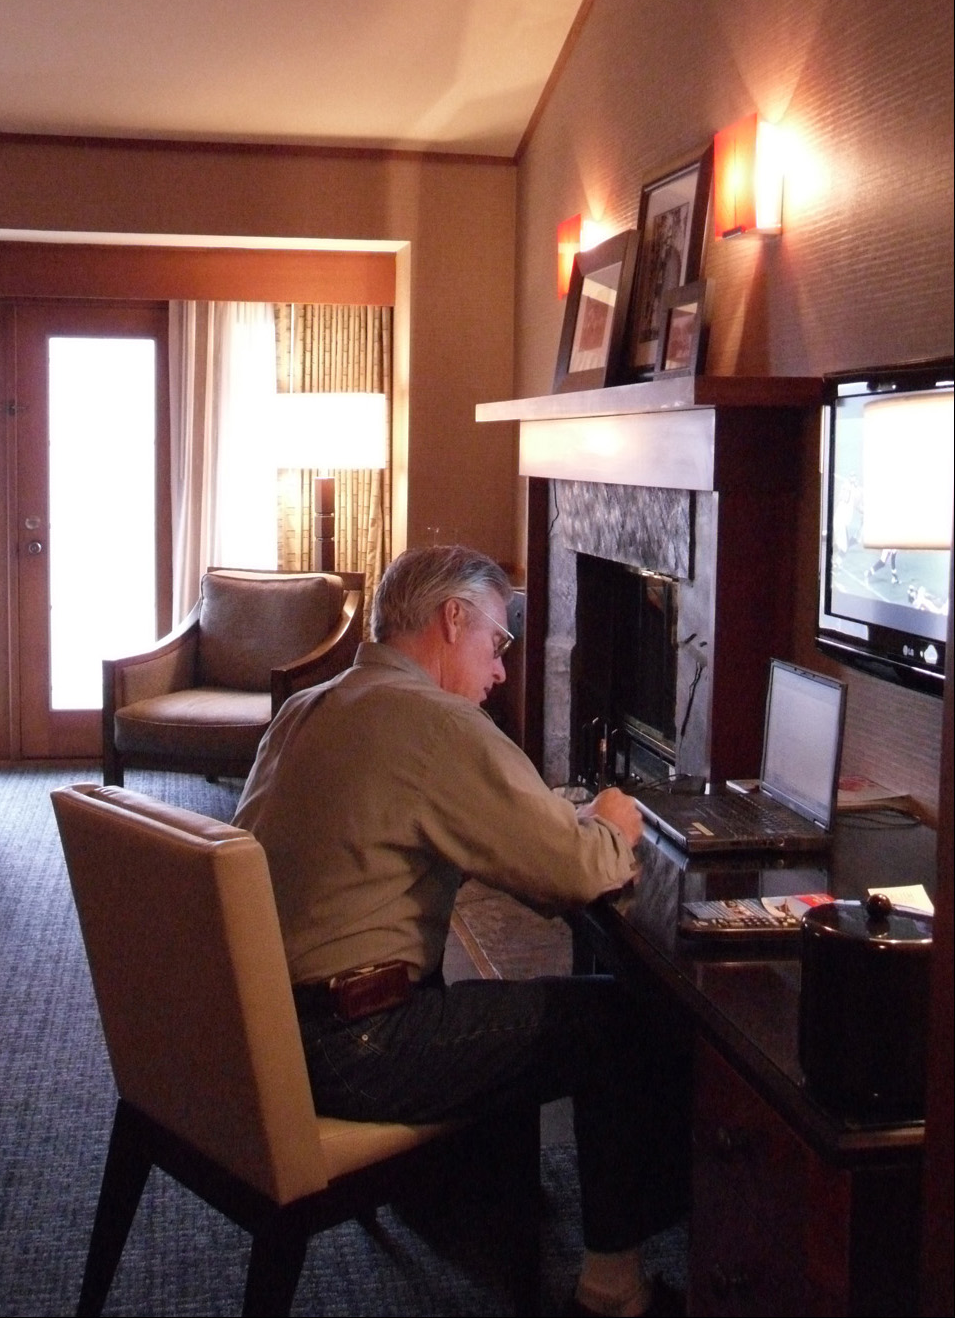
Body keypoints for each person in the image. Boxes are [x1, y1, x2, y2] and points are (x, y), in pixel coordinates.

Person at [235, 545, 691, 1317]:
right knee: (617, 1018)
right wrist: (612, 823)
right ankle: (614, 1287)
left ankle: (467, 1193)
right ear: (452, 620)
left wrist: (550, 829)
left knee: (512, 1005)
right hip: (354, 1047)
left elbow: (477, 830)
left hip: (262, 1032)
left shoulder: (312, 704)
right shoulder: (431, 720)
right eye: (497, 641)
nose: (501, 669)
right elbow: (574, 874)